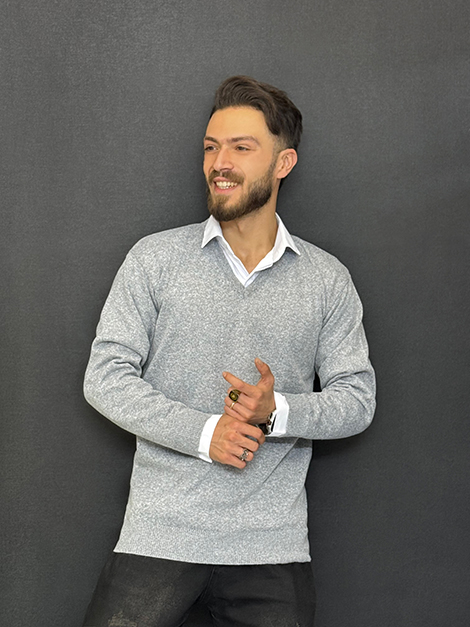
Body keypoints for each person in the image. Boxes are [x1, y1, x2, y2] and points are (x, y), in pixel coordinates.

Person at [82, 75, 376, 627]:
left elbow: (357, 400)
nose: (220, 163)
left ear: (283, 163)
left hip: (270, 548)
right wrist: (204, 434)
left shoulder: (326, 279)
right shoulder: (154, 260)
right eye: (211, 147)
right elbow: (105, 376)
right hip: (158, 535)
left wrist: (275, 412)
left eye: (242, 147)